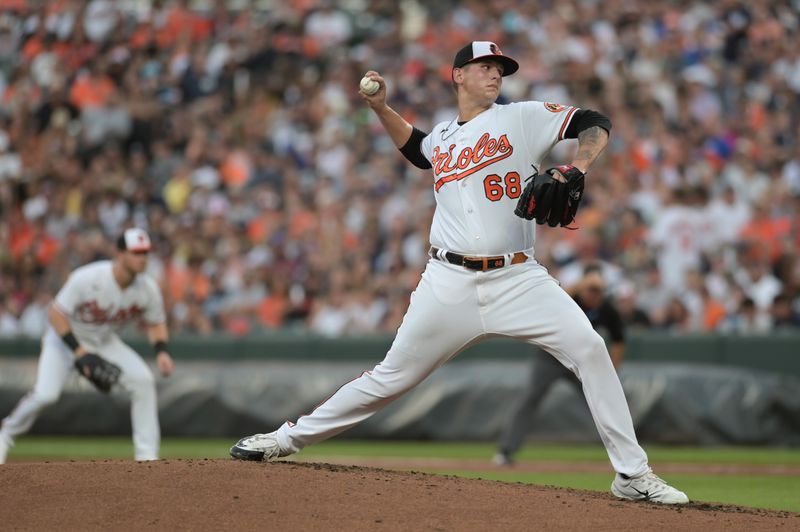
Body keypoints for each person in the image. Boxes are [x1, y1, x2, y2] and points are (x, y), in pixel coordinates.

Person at [229, 41, 688, 504]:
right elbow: (417, 149)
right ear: (458, 76)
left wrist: (577, 165)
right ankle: (285, 439)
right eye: (484, 66)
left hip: (518, 277)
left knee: (591, 348)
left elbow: (594, 121)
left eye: (499, 69)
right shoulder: (444, 137)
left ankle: (631, 474)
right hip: (447, 282)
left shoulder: (520, 117)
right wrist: (381, 108)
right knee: (389, 378)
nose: (495, 75)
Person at [0, 228, 174, 464]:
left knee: (143, 380)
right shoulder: (89, 277)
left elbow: (156, 323)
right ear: (120, 253)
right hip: (63, 341)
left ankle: (147, 457)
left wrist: (161, 351)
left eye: (145, 253)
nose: (142, 258)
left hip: (103, 341)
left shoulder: (147, 289)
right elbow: (55, 314)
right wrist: (79, 352)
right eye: (136, 253)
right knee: (46, 395)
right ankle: (6, 433)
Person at [494, 264, 625, 466]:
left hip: (579, 360)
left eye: (598, 291)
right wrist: (582, 284)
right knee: (530, 399)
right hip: (550, 357)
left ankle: (626, 452)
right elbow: (553, 297)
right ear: (582, 287)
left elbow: (619, 342)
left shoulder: (607, 309)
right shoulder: (570, 298)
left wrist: (611, 372)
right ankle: (505, 451)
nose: (594, 295)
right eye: (590, 290)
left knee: (606, 398)